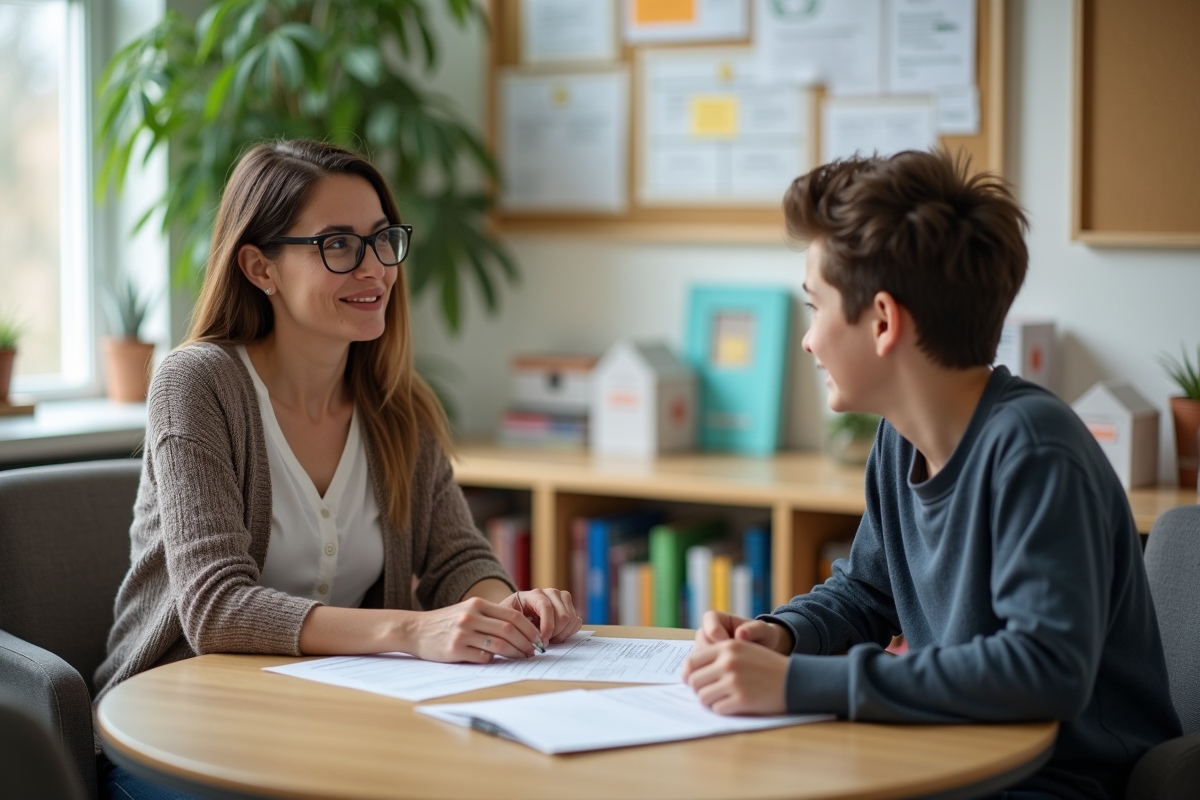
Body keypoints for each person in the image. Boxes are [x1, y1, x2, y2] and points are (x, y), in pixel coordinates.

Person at [681, 150, 1180, 800]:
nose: (808, 340)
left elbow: (1045, 669)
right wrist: (779, 635)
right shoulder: (898, 437)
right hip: (956, 754)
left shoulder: (1034, 451)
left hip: (1061, 780)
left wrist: (797, 684)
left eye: (815, 306)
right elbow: (866, 591)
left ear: (883, 321)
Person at [93, 139, 581, 798]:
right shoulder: (198, 383)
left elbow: (456, 559)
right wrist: (412, 630)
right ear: (260, 268)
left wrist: (505, 608)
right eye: (338, 246)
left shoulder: (397, 405)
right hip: (179, 729)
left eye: (383, 241)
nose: (375, 268)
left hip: (333, 723)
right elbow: (215, 609)